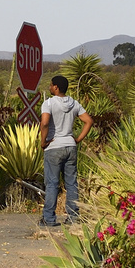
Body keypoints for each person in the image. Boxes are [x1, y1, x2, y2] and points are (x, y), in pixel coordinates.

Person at [38, 75, 93, 226]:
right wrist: (77, 139)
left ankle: (49, 218)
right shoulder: (74, 104)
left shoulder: (48, 103)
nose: (49, 87)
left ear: (56, 87)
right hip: (70, 145)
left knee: (52, 183)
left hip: (54, 146)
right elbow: (88, 121)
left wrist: (43, 142)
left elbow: (44, 123)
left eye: (51, 85)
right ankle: (73, 217)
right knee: (71, 183)